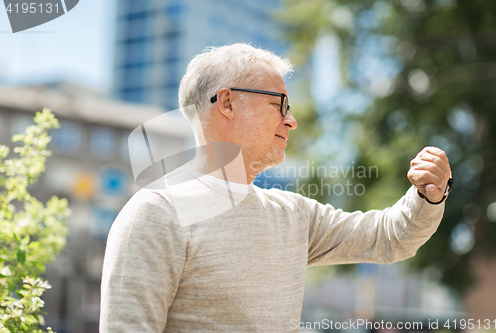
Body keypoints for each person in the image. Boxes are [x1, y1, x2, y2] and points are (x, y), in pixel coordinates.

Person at [100, 44, 452, 332]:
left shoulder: (294, 216)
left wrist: (428, 194)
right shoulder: (155, 214)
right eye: (278, 103)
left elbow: (390, 238)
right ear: (226, 103)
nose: (291, 120)